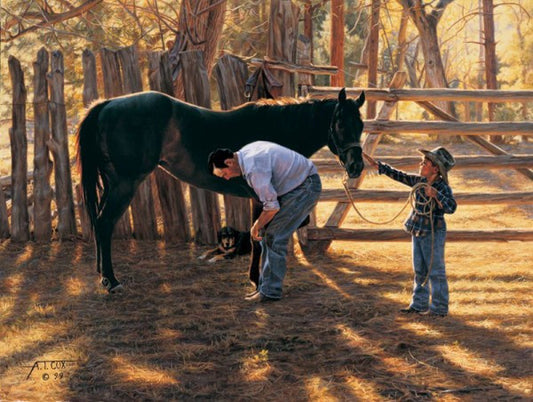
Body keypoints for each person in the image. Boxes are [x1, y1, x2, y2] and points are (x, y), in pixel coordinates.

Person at [208, 141, 322, 302]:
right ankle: (265, 288)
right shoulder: (246, 152)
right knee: (269, 235)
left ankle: (270, 292)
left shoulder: (254, 169)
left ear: (229, 162)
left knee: (275, 236)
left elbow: (271, 207)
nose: (226, 178)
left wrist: (256, 225)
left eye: (224, 173)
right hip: (297, 185)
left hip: (305, 187)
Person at [364, 147, 457, 317]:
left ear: (435, 169)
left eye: (425, 163)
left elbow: (451, 207)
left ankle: (439, 308)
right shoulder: (419, 181)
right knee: (420, 270)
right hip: (418, 230)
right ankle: (419, 304)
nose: (421, 164)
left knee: (435, 270)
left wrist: (436, 195)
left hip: (433, 232)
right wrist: (381, 167)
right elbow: (401, 176)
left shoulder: (442, 187)